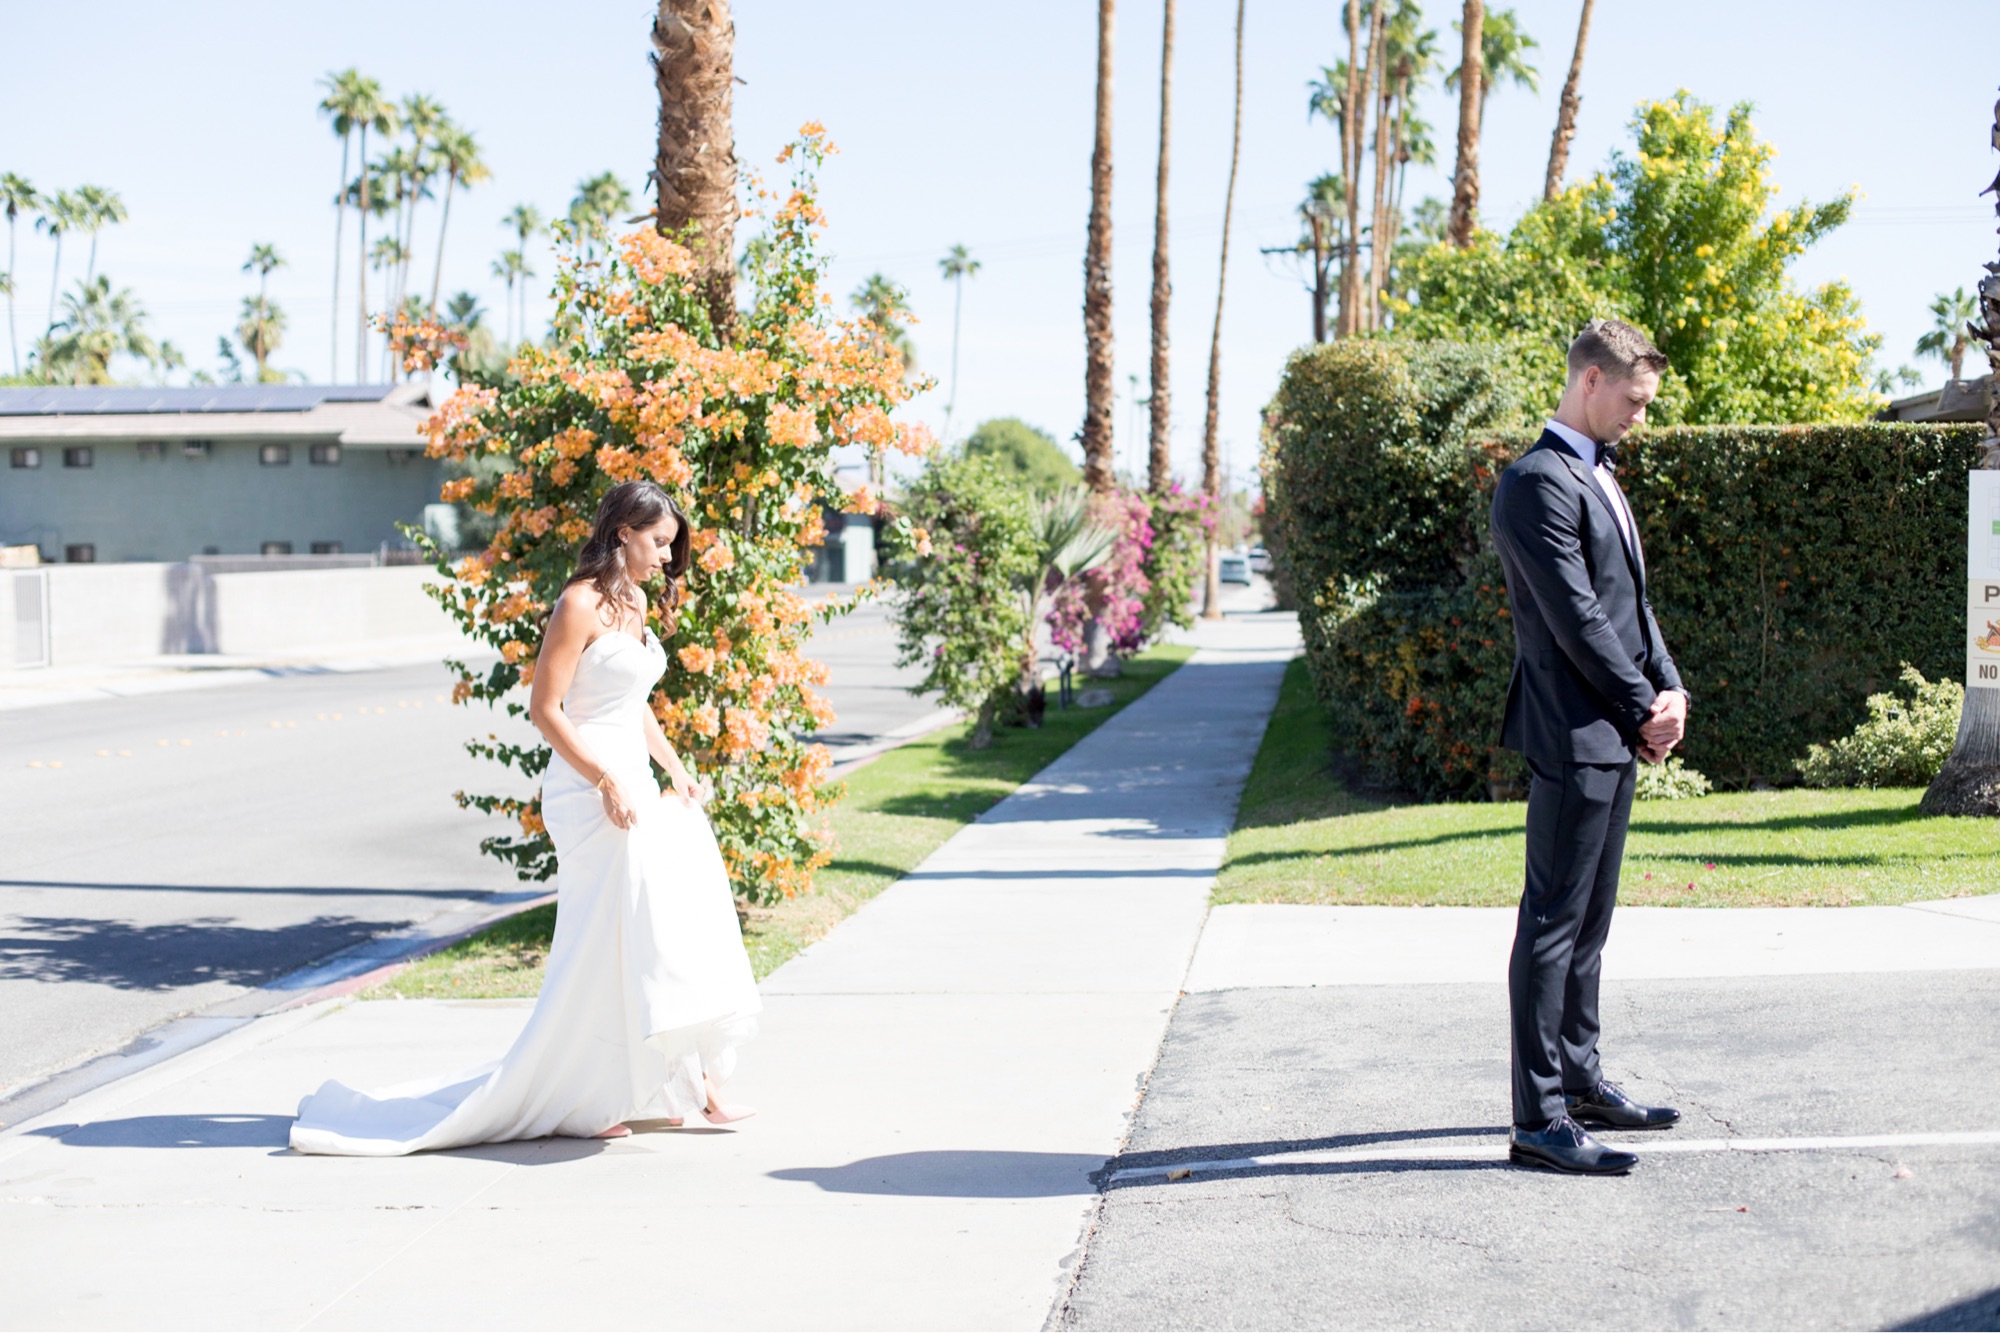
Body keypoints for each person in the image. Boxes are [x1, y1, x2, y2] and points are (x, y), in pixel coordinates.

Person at [290, 480, 762, 1155]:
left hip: (631, 780)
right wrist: (603, 779)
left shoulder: (633, 601)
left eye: (670, 546)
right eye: (659, 542)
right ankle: (584, 1094)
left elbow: (633, 701)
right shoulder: (579, 603)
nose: (666, 556)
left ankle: (688, 1081)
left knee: (658, 929)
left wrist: (675, 768)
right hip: (588, 786)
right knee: (604, 940)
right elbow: (546, 708)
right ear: (624, 531)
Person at [1489, 319, 1689, 1176]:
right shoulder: (1536, 482)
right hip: (1574, 734)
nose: (1640, 417)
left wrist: (1669, 686)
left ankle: (1580, 1081)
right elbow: (1577, 620)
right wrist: (1644, 705)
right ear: (1591, 381)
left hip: (1613, 729)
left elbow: (1631, 606)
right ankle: (1537, 1118)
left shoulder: (1598, 476)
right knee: (1552, 925)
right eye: (1635, 401)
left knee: (1590, 927)